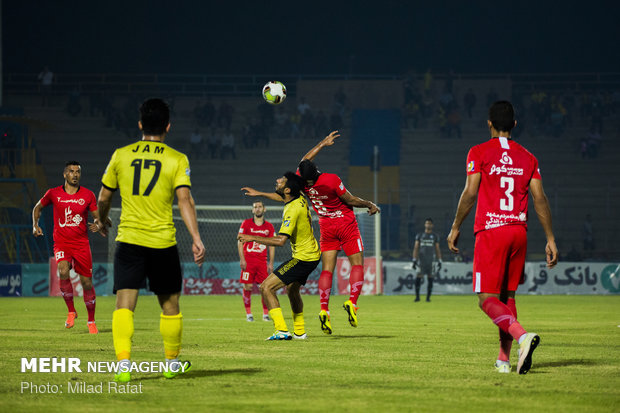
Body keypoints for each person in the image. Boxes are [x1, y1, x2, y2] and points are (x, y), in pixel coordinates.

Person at [96, 98, 206, 382]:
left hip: (129, 239)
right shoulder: (177, 158)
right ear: (168, 126)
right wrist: (196, 237)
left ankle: (123, 364)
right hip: (162, 243)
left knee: (124, 303)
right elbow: (185, 200)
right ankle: (170, 364)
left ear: (141, 124)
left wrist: (102, 219)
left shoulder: (121, 155)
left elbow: (104, 197)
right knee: (170, 304)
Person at [447, 101, 558, 375]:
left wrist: (455, 226)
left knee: (486, 298)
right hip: (519, 232)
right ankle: (504, 360)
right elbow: (540, 199)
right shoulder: (528, 157)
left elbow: (470, 192)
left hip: (491, 231)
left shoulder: (479, 152)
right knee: (507, 296)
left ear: (489, 124)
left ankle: (522, 337)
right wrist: (550, 238)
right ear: (515, 125)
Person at [242, 131, 380, 335]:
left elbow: (303, 162)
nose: (281, 181)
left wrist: (322, 144)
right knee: (356, 264)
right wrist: (369, 204)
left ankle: (322, 310)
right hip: (345, 223)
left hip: (325, 228)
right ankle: (351, 302)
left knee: (324, 272)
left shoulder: (300, 192)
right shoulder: (329, 180)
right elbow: (350, 200)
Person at [239, 172, 321, 340]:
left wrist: (251, 237)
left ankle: (282, 331)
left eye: (281, 181)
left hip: (303, 258)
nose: (277, 180)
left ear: (287, 190)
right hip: (312, 254)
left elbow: (280, 240)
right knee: (292, 290)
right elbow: (281, 197)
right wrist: (260, 193)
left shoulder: (292, 210)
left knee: (266, 287)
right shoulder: (298, 197)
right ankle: (299, 331)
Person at [32, 161, 106, 334]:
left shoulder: (88, 195)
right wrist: (35, 225)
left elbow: (97, 217)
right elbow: (38, 207)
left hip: (81, 244)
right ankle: (71, 311)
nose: (75, 174)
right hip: (62, 243)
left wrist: (98, 223)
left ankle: (91, 321)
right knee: (63, 270)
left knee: (86, 283)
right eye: (71, 171)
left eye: (78, 171)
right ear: (65, 174)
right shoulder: (53, 193)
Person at [237, 200, 275, 322]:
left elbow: (272, 245)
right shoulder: (246, 224)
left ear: (264, 209)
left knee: (265, 287)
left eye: (260, 207)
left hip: (262, 262)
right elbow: (239, 241)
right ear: (253, 210)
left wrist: (271, 263)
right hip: (248, 261)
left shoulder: (269, 226)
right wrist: (242, 259)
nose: (257, 209)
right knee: (247, 286)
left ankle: (265, 314)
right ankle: (249, 314)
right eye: (255, 207)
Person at [412, 218, 442, 302]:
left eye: (429, 224)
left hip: (431, 260)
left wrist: (440, 260)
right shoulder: (420, 235)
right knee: (418, 277)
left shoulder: (435, 236)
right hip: (421, 261)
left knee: (430, 278)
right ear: (425, 225)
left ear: (432, 225)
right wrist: (414, 259)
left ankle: (428, 298)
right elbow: (416, 248)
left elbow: (437, 249)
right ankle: (417, 297)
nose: (428, 225)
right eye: (427, 223)